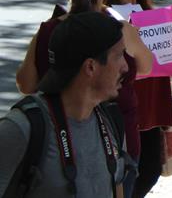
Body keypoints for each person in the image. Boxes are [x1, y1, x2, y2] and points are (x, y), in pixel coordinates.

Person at [14, 0, 154, 197]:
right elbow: (146, 66)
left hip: (60, 138)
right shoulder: (118, 30)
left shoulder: (49, 30)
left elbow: (26, 84)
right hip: (116, 137)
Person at [0, 11, 130, 197]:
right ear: (90, 67)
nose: (125, 67)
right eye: (119, 56)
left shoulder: (111, 122)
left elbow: (117, 189)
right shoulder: (23, 128)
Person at [102, 0, 172, 197]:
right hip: (121, 110)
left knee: (150, 171)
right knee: (124, 176)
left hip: (152, 107)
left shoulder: (153, 14)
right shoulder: (103, 17)